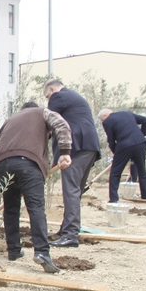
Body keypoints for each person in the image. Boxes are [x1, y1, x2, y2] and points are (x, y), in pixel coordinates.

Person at [0, 101, 72, 273]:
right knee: (36, 207)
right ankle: (42, 252)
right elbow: (62, 125)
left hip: (2, 164)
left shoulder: (10, 120)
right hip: (28, 163)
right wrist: (65, 153)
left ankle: (13, 250)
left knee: (11, 209)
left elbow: (2, 140)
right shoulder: (42, 112)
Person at [42, 79, 101, 248]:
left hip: (76, 147)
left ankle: (70, 235)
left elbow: (48, 122)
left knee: (71, 191)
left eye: (47, 96)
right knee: (75, 191)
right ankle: (66, 230)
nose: (48, 100)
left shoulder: (59, 96)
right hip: (88, 147)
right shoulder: (73, 96)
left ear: (51, 89)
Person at [98, 108, 146, 203]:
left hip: (124, 145)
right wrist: (143, 136)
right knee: (142, 170)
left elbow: (111, 140)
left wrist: (116, 153)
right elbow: (145, 120)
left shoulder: (107, 121)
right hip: (140, 144)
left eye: (102, 119)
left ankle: (114, 198)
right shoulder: (127, 113)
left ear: (105, 115)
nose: (103, 121)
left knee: (115, 172)